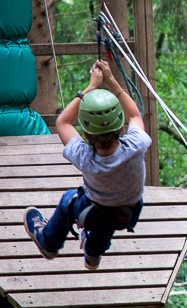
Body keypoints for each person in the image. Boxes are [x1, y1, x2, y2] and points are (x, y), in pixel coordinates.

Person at [24, 60, 151, 271]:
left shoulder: (85, 157)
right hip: (128, 215)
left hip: (96, 215)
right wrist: (111, 80)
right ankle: (93, 254)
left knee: (71, 200)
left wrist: (90, 87)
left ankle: (48, 242)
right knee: (105, 213)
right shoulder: (137, 146)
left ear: (84, 134)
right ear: (120, 127)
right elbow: (135, 115)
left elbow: (62, 123)